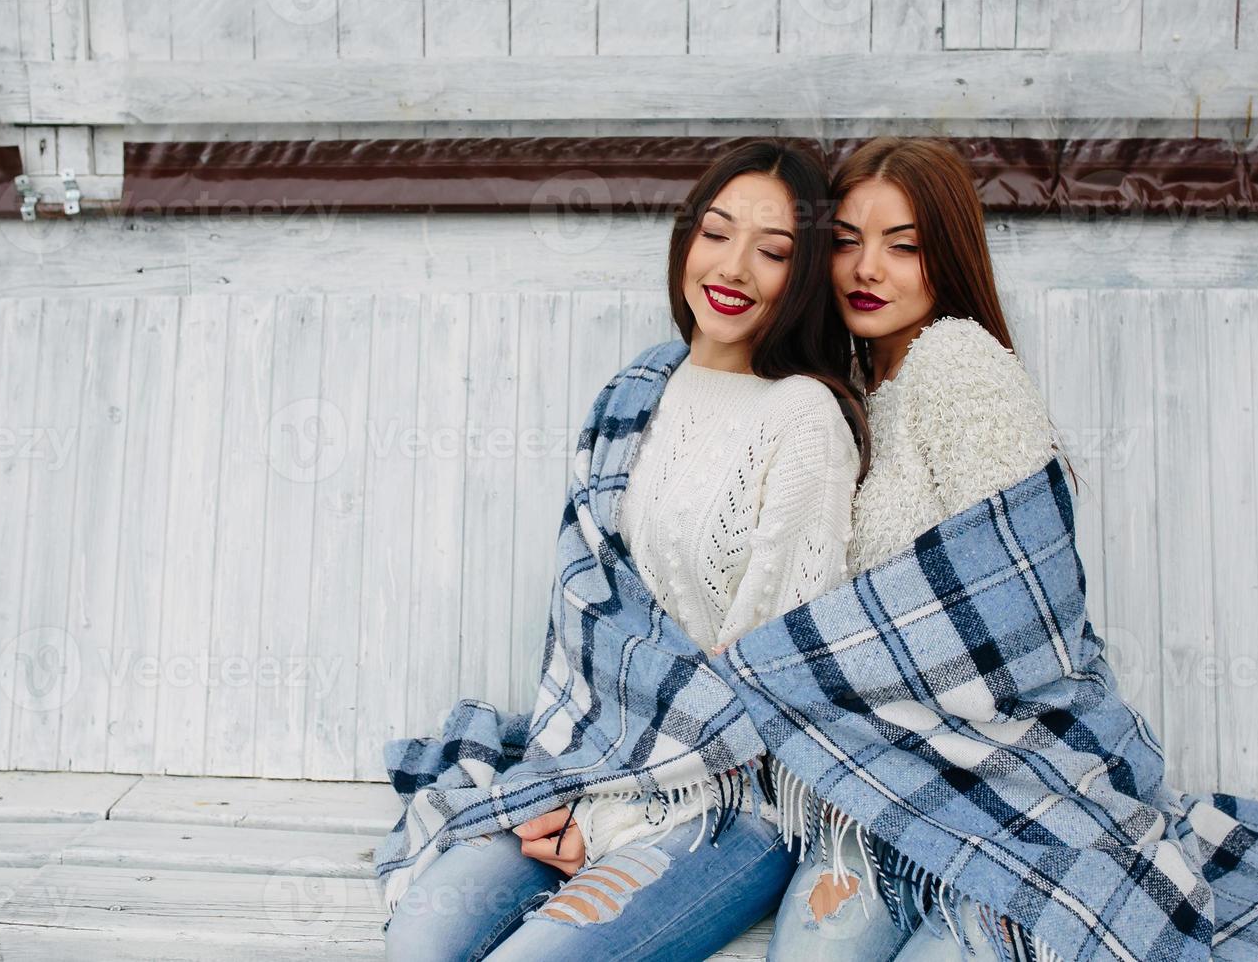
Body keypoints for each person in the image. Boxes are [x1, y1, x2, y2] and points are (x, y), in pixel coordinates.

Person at [384, 138, 870, 962]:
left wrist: (603, 815)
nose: (735, 267)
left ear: (806, 272)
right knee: (422, 936)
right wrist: (571, 786)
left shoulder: (805, 421)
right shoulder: (639, 387)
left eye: (774, 251)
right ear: (687, 239)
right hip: (587, 760)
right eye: (717, 233)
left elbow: (771, 688)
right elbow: (587, 620)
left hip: (730, 804)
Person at [765, 136, 1063, 961]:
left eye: (903, 246)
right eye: (849, 242)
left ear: (948, 257)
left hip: (1006, 763)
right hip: (879, 779)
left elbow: (1020, 594)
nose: (869, 269)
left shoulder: (958, 363)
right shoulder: (851, 397)